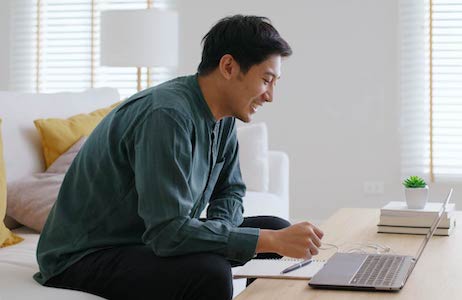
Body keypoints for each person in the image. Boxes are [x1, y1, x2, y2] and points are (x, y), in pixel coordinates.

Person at [34, 14, 324, 300]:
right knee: (211, 271)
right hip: (85, 254)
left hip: (145, 239)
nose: (271, 95)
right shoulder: (166, 115)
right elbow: (167, 233)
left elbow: (231, 189)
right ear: (228, 66)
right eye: (266, 80)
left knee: (276, 227)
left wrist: (231, 232)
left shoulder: (223, 116)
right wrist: (259, 240)